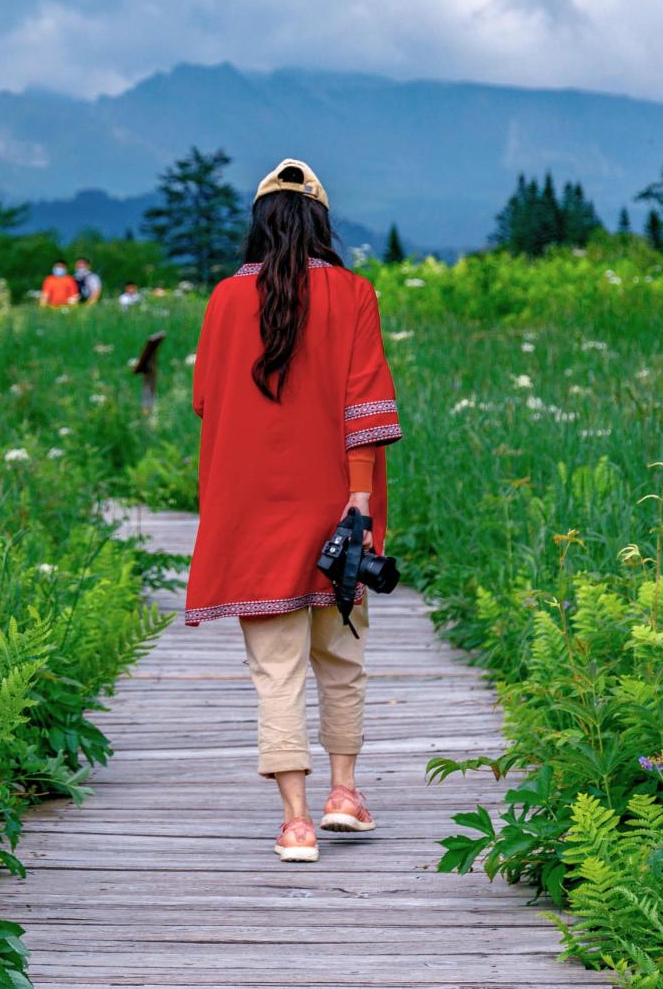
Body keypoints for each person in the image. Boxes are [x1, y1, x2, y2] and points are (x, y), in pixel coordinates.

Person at [185, 158, 402, 864]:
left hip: (248, 512)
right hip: (337, 506)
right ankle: (345, 793)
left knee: (276, 669)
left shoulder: (222, 300)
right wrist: (360, 507)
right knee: (341, 656)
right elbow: (364, 411)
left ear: (259, 223)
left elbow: (205, 403)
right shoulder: (353, 293)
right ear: (321, 222)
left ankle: (296, 821)